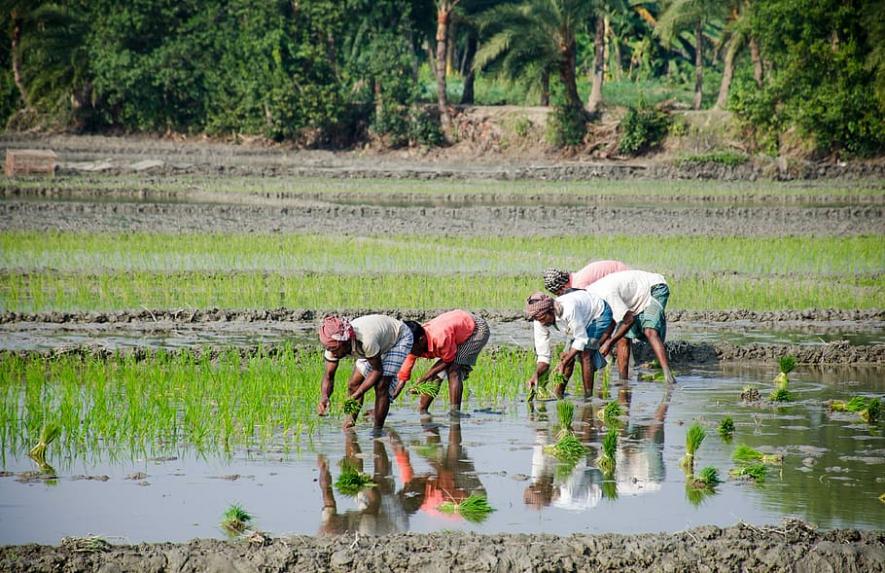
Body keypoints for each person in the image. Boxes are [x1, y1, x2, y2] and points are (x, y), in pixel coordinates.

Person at [316, 314, 413, 431]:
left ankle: (377, 430)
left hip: (398, 338)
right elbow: (329, 376)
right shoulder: (333, 346)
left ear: (345, 343)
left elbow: (377, 370)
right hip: (377, 343)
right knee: (353, 384)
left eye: (335, 350)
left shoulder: (366, 340)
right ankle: (349, 424)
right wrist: (325, 397)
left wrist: (358, 394)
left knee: (382, 385)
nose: (333, 353)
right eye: (330, 349)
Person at [585, 269, 676, 384]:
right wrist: (597, 345)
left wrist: (609, 343)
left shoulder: (606, 295)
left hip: (654, 288)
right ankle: (623, 379)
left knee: (649, 331)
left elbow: (629, 320)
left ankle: (668, 375)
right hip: (634, 300)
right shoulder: (590, 297)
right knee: (623, 337)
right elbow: (611, 323)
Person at [395, 310, 490, 416]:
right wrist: (389, 398)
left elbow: (448, 360)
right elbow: (403, 377)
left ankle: (455, 412)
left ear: (421, 340)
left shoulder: (440, 338)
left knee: (453, 369)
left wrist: (424, 377)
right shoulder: (412, 345)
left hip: (476, 330)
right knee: (436, 374)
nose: (408, 351)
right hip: (455, 330)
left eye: (410, 348)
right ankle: (423, 411)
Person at [524, 289, 614, 398]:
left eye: (543, 318)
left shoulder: (568, 309)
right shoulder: (539, 320)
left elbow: (581, 339)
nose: (542, 322)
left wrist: (564, 362)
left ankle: (588, 397)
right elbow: (543, 358)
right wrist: (536, 375)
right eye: (538, 320)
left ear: (551, 310)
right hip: (578, 321)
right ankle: (559, 394)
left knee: (585, 353)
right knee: (567, 356)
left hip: (599, 312)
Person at [542, 260, 630, 296]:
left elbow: (591, 304)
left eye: (559, 294)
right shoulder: (576, 277)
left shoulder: (579, 285)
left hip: (622, 276)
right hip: (620, 270)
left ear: (563, 287)